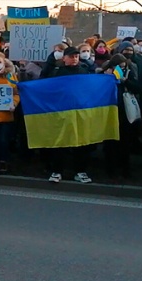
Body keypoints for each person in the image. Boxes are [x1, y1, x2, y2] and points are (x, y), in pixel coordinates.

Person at [44, 46, 93, 183]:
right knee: (61, 142)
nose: (75, 59)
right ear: (64, 58)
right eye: (71, 56)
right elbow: (48, 88)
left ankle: (80, 171)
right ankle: (57, 171)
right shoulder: (57, 72)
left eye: (76, 56)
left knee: (80, 143)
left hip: (79, 112)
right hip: (61, 113)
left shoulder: (84, 71)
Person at [102, 54, 141, 179]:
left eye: (123, 67)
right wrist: (106, 78)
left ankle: (125, 169)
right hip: (109, 112)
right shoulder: (104, 74)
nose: (121, 69)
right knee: (110, 143)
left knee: (124, 143)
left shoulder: (129, 74)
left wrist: (124, 80)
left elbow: (137, 88)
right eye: (118, 67)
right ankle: (110, 170)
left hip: (124, 113)